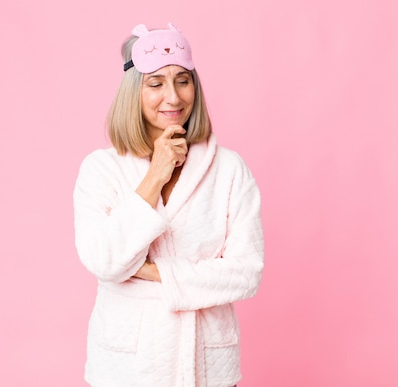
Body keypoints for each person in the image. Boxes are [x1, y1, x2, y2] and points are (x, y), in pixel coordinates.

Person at [73, 22, 264, 387]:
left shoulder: (228, 169)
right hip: (127, 368)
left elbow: (246, 272)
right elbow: (104, 261)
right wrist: (155, 175)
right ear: (133, 91)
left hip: (207, 367)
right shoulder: (101, 170)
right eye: (156, 83)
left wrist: (154, 272)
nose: (173, 98)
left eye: (183, 80)